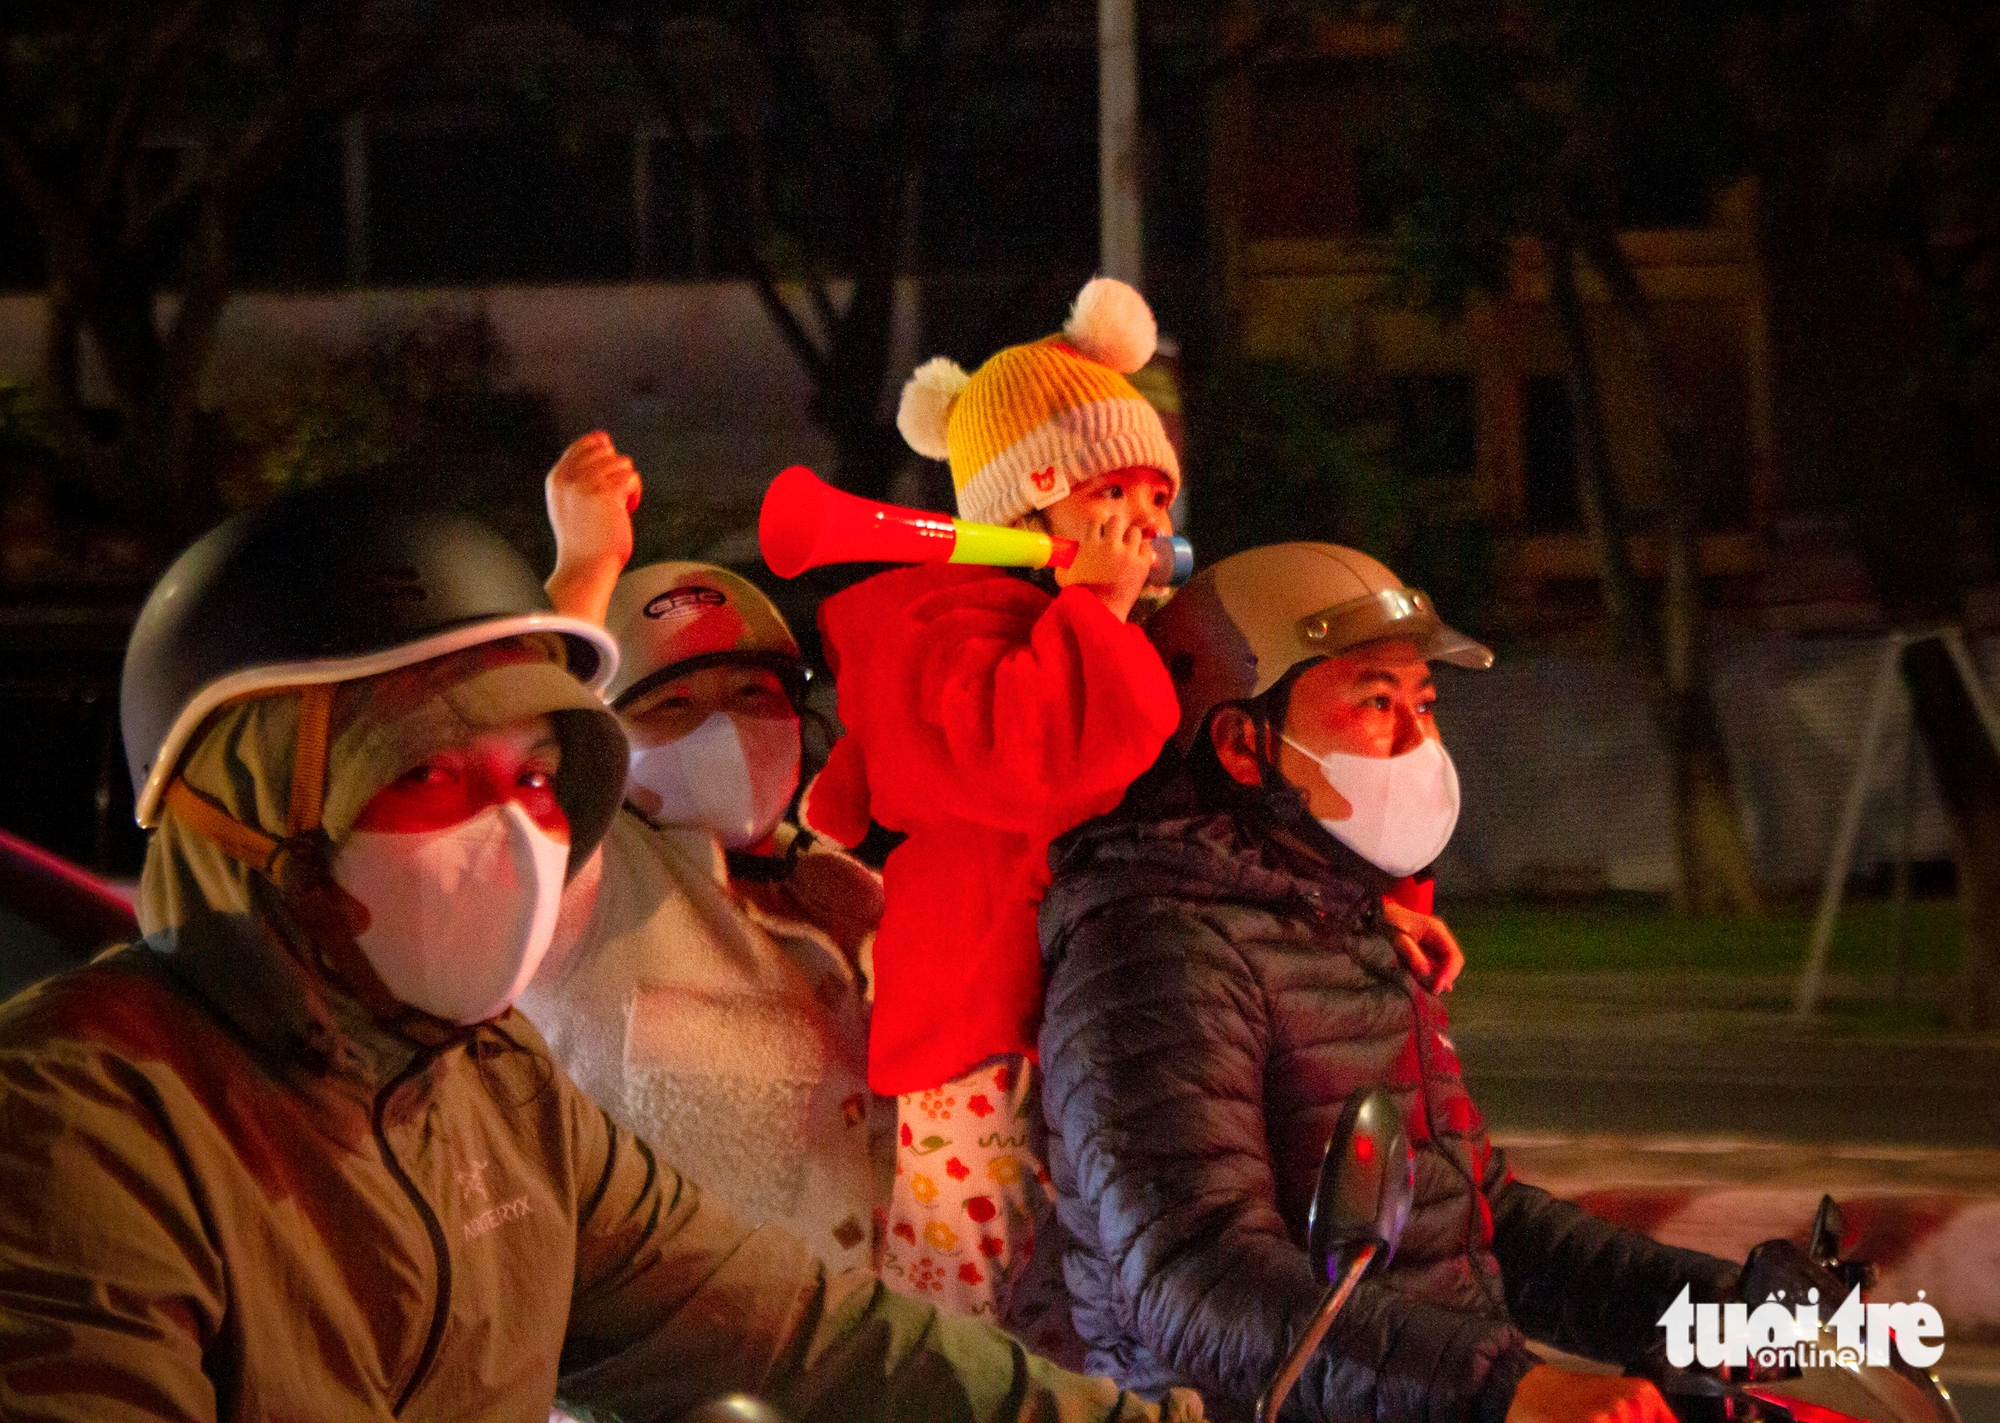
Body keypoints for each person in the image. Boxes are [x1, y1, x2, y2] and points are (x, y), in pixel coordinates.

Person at [0, 479, 1203, 1423]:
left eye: (533, 776)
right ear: (253, 812)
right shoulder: (81, 1125)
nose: (510, 828)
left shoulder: (496, 1094)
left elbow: (797, 1332)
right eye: (424, 772)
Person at [1037, 542, 1739, 1423]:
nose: (1419, 742)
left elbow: (1475, 1219)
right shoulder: (1152, 950)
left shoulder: (1337, 917)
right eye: (1375, 701)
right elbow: (1196, 1280)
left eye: (1425, 703)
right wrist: (1505, 1389)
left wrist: (1726, 1310)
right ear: (1243, 744)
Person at [798, 278, 1184, 1360]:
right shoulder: (942, 621)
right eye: (1120, 490)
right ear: (1031, 497)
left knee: (1079, 1303)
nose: (1148, 525)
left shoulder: (1049, 619)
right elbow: (1022, 765)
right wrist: (1094, 617)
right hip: (977, 1018)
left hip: (1056, 1010)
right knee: (967, 1303)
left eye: (1159, 499)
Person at [527, 451, 893, 1272]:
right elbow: (504, 751)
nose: (726, 727)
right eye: (672, 704)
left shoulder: (852, 893)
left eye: (755, 696)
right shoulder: (585, 883)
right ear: (600, 737)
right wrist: (582, 575)